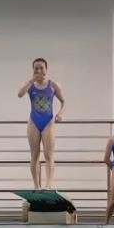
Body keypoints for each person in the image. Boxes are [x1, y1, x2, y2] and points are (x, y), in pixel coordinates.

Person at [17, 58, 66, 190]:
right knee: (34, 154)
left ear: (46, 69)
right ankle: (36, 186)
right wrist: (30, 81)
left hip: (48, 121)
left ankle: (48, 185)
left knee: (48, 154)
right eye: (36, 68)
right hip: (34, 121)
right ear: (33, 70)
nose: (39, 71)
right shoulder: (30, 85)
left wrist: (60, 114)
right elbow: (19, 94)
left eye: (41, 68)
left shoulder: (53, 85)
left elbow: (63, 101)